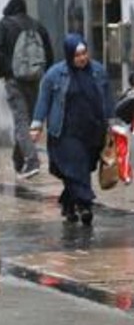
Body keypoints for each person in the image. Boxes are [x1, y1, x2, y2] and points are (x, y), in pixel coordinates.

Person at [30, 34, 113, 225]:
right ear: (69, 55)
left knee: (82, 168)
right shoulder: (55, 74)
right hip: (65, 133)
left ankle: (68, 204)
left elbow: (107, 99)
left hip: (92, 131)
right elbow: (44, 100)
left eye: (84, 53)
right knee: (76, 167)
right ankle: (85, 205)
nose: (82, 58)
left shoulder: (98, 71)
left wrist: (112, 122)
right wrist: (36, 126)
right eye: (77, 55)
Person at [0, 0, 54, 178]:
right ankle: (19, 158)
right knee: (28, 119)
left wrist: (3, 72)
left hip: (14, 79)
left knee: (21, 120)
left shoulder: (4, 25)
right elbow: (48, 52)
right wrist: (45, 74)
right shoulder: (36, 25)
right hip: (34, 79)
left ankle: (32, 160)